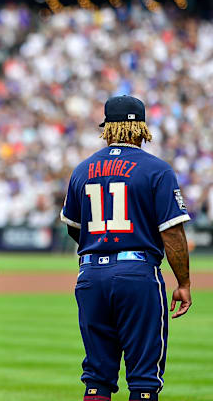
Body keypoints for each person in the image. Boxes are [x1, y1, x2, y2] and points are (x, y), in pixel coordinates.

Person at [60, 95, 192, 401]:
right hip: (137, 273)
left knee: (97, 377)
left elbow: (73, 226)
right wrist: (183, 282)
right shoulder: (157, 170)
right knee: (144, 379)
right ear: (142, 128)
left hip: (91, 274)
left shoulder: (83, 169)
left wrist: (98, 249)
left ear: (107, 128)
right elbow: (172, 233)